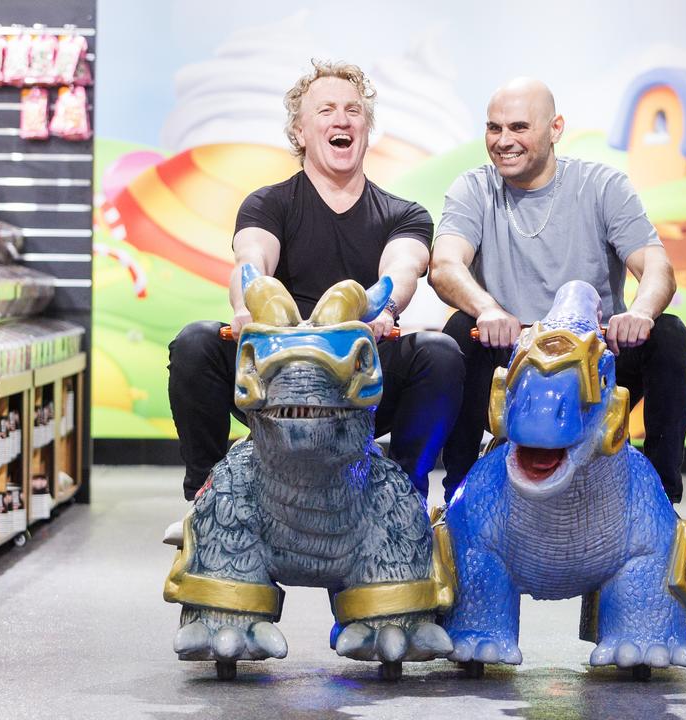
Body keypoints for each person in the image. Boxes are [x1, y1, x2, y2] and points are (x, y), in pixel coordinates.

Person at [429, 77, 686, 560]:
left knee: (668, 335)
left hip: (593, 362)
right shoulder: (474, 188)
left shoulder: (603, 185)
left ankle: (662, 503)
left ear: (555, 128)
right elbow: (445, 264)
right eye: (494, 128)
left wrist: (640, 312)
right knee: (460, 333)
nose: (504, 140)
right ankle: (459, 500)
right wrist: (489, 309)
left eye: (519, 126)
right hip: (513, 359)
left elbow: (656, 265)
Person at [168, 60, 464, 500]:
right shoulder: (267, 204)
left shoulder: (406, 214)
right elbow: (251, 260)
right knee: (195, 343)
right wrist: (245, 310)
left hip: (360, 377)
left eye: (353, 110)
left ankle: (405, 496)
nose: (341, 119)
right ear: (300, 133)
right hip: (277, 373)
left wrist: (383, 310)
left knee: (440, 353)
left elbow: (402, 268)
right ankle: (206, 495)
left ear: (366, 128)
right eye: (325, 111)